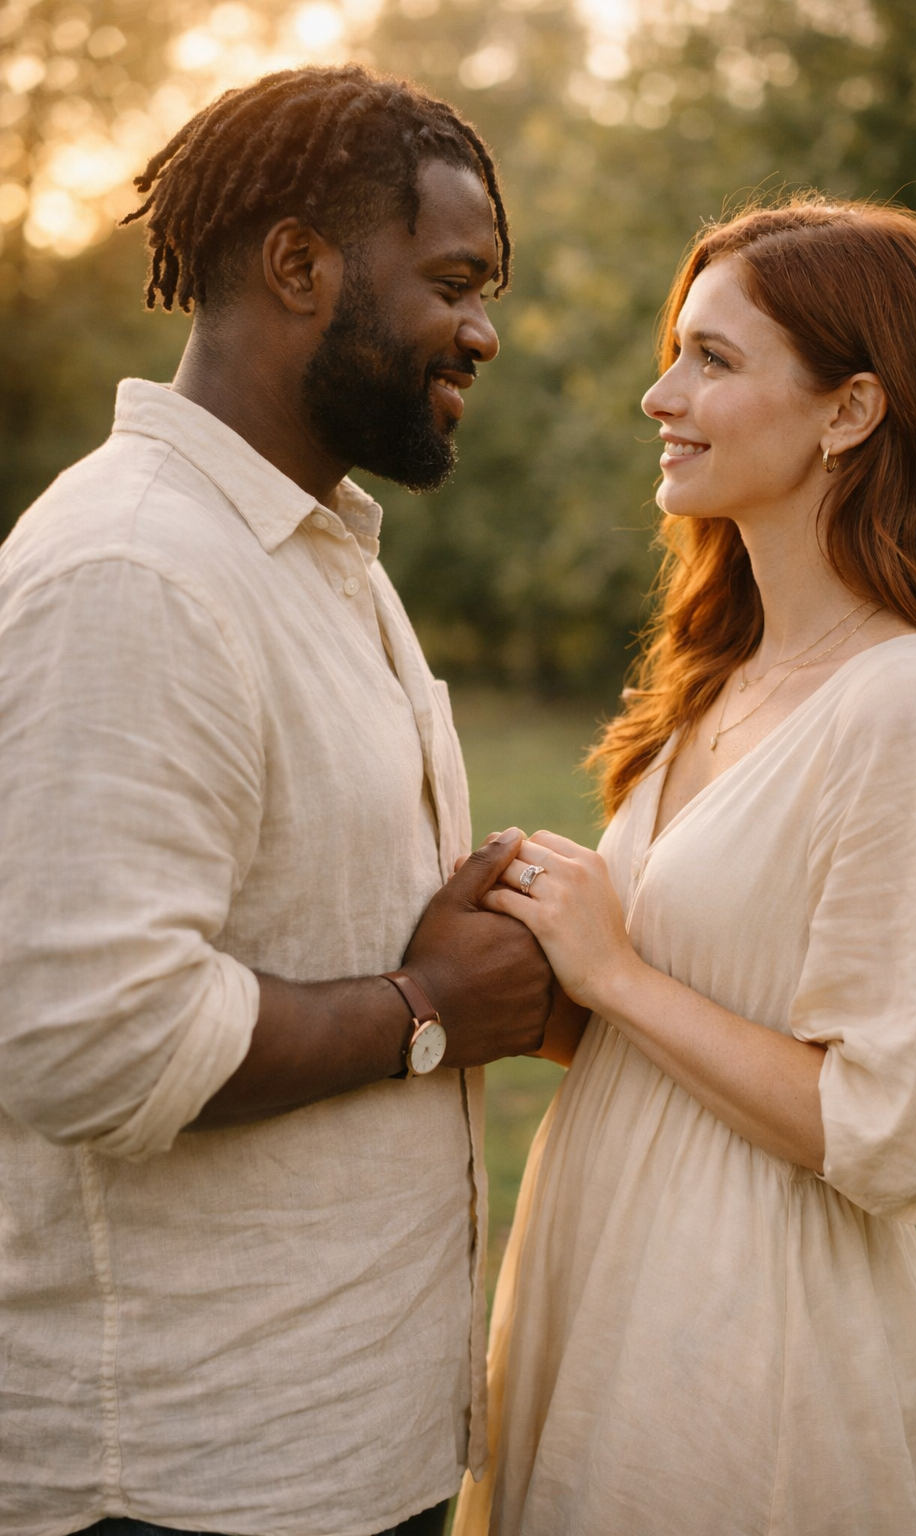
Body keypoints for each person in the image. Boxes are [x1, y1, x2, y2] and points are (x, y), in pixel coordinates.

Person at [0, 64, 573, 1536]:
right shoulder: (138, 569)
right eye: (454, 280)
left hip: (327, 1447)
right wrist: (429, 1005)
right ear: (300, 263)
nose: (485, 329)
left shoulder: (317, 557)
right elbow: (92, 1038)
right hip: (190, 1478)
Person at [453, 197, 916, 1536]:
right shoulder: (722, 675)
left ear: (851, 411)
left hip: (740, 1321)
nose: (662, 394)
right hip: (607, 1266)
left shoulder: (914, 706)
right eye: (675, 353)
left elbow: (907, 1133)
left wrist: (618, 973)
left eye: (714, 359)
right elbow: (672, 1023)